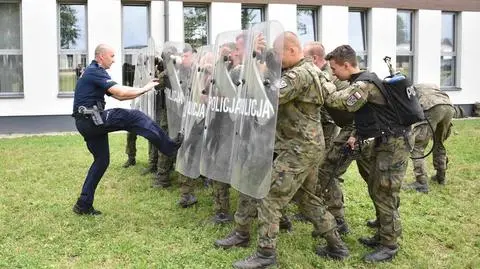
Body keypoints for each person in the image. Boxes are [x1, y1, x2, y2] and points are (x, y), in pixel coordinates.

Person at [215, 32, 348, 269]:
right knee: (305, 199)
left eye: (277, 53)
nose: (274, 58)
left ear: (292, 51)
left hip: (298, 148)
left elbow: (267, 97)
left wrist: (252, 63)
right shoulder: (303, 69)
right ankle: (336, 245)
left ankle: (266, 255)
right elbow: (272, 75)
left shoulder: (299, 75)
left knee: (269, 197)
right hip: (296, 145)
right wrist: (260, 54)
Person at [71, 44, 182, 216]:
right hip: (92, 120)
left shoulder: (93, 71)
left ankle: (83, 204)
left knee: (101, 161)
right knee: (135, 117)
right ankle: (169, 148)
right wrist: (146, 88)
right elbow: (121, 94)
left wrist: (142, 89)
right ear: (101, 56)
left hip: (87, 122)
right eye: (112, 56)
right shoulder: (95, 71)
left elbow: (117, 95)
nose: (114, 60)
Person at [325, 44, 409, 262]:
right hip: (385, 140)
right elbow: (367, 115)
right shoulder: (363, 80)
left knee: (384, 192)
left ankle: (389, 245)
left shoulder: (363, 84)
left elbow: (343, 103)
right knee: (376, 188)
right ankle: (382, 234)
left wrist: (323, 86)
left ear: (346, 64)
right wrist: (355, 134)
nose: (333, 73)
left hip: (394, 145)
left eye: (334, 69)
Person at [403, 83, 455, 193]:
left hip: (431, 107)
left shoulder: (409, 89)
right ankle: (441, 176)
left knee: (417, 146)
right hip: (449, 107)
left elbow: (410, 108)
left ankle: (421, 182)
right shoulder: (429, 86)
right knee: (439, 143)